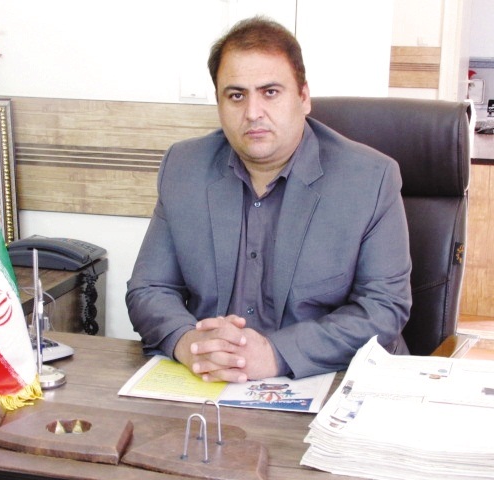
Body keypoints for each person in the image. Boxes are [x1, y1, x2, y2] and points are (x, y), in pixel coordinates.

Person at [126, 16, 412, 383]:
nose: (252, 113)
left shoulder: (370, 178)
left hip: (330, 381)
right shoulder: (185, 167)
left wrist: (276, 354)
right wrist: (188, 342)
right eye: (236, 95)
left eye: (270, 92)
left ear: (303, 98)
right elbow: (149, 289)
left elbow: (383, 309)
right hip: (213, 384)